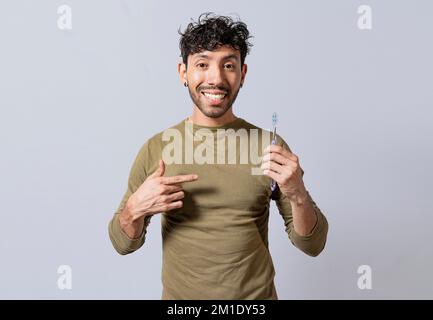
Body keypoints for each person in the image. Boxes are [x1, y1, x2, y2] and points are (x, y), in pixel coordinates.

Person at [108, 12, 328, 300]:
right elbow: (123, 244)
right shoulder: (157, 148)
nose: (216, 78)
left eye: (228, 65)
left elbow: (312, 245)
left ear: (242, 74)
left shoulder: (270, 146)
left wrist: (298, 193)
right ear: (183, 73)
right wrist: (134, 209)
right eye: (202, 64)